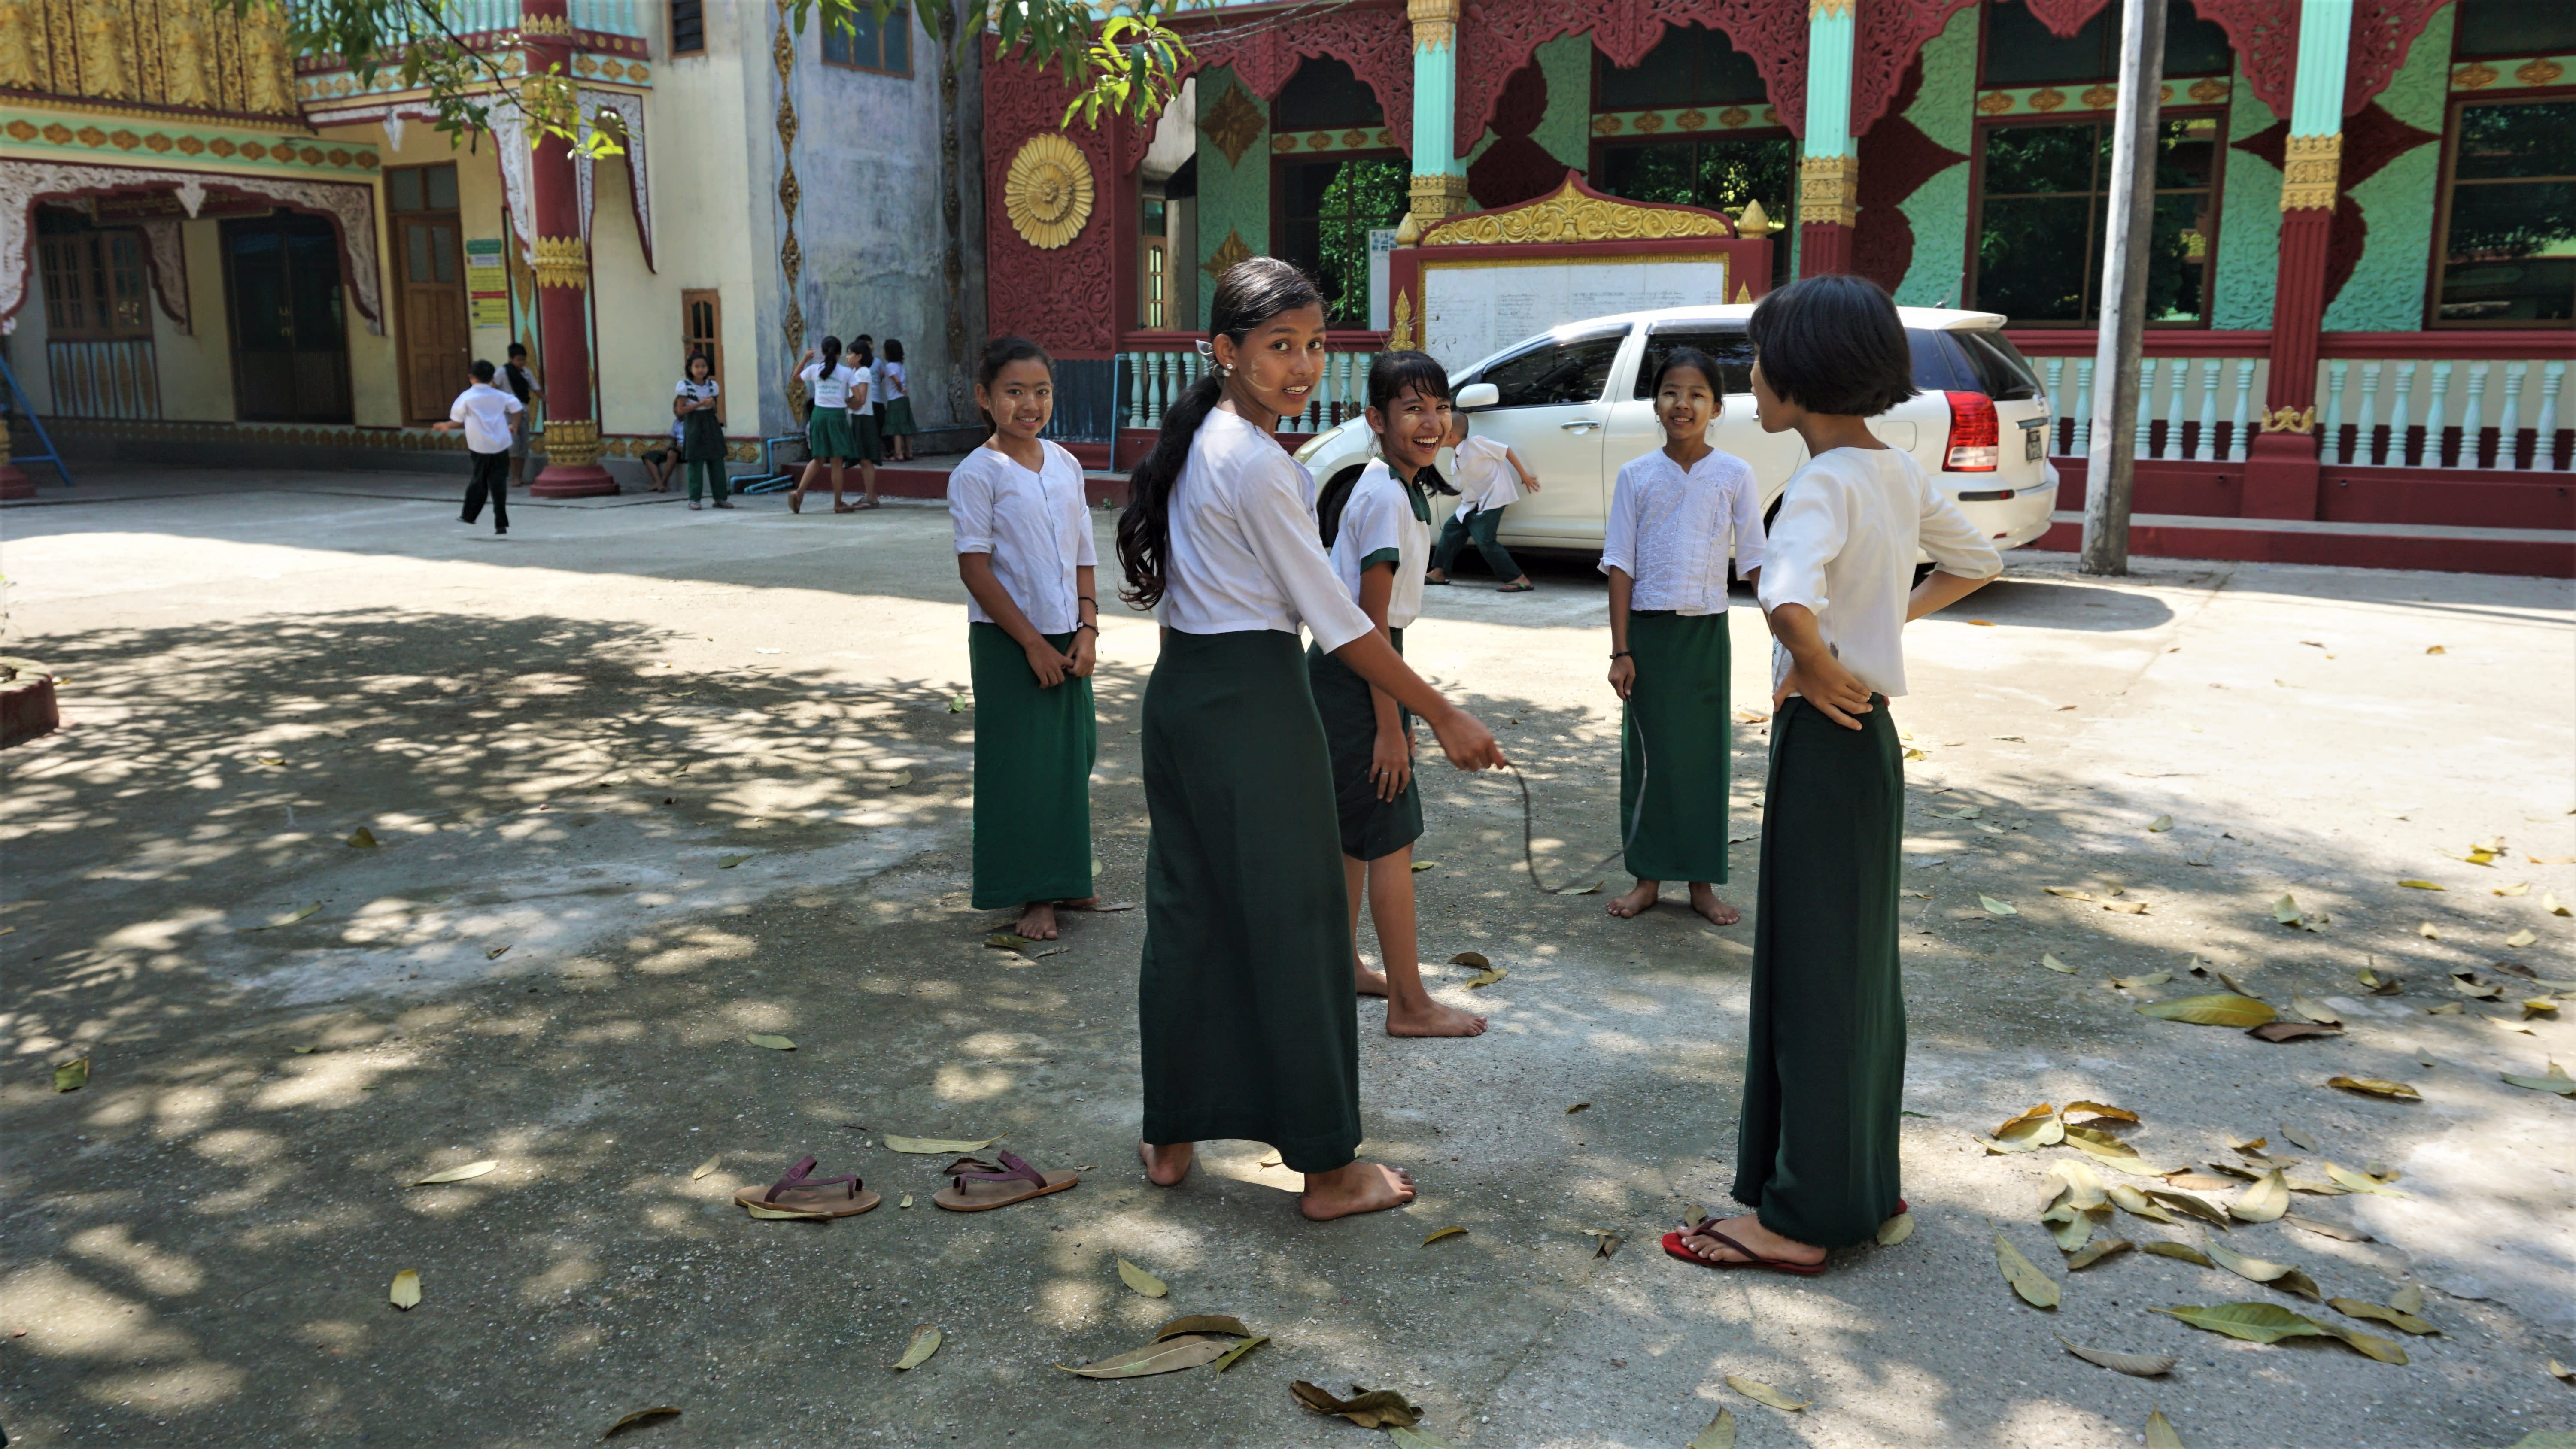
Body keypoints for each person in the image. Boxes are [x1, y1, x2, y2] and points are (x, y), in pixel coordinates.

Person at [1120, 257, 1507, 1222]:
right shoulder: (1258, 464)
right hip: (1253, 707)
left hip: (1182, 698)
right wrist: (1442, 712)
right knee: (1300, 924)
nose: (1302, 367)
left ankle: (1172, 1131)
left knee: (1190, 911)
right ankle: (1329, 1170)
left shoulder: (1203, 442)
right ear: (1226, 352)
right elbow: (1339, 623)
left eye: (1315, 345)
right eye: (1279, 346)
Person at [1668, 274, 2001, 1276]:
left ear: (1801, 377)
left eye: (1761, 361)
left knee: (1814, 976)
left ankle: (1800, 1218)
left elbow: (1783, 592)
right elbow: (1976, 559)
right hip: (1874, 741)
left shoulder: (1821, 482)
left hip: (1826, 738)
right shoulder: (1893, 470)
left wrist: (1815, 660)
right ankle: (1859, 1180)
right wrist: (1878, 629)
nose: (1751, 380)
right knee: (1856, 973)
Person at [1310, 352, 1487, 1038]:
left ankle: (1341, 963)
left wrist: (1396, 712)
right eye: (1412, 409)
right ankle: (1409, 1004)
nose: (1431, 422)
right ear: (1376, 420)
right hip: (1360, 670)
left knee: (1359, 833)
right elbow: (1370, 623)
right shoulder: (1385, 496)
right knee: (1390, 838)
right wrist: (1391, 725)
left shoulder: (1395, 485)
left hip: (1363, 669)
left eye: (1440, 407)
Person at [1601, 347, 1763, 928]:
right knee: (1647, 757)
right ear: (1655, 403)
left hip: (1705, 636)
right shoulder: (1636, 475)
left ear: (1717, 408)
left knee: (1703, 760)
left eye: (1697, 394)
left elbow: (1757, 561)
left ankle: (1701, 882)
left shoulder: (1735, 475)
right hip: (1647, 638)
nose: (1682, 404)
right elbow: (1621, 564)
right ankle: (1647, 878)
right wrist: (1621, 650)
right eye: (1671, 392)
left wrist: (1790, 642)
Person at [949, 336, 1099, 941]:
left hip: (1068, 633)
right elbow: (975, 569)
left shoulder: (1065, 464)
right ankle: (1035, 895)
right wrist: (1032, 644)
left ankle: (1069, 877)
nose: (1030, 405)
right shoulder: (977, 473)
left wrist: (1088, 627)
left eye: (1041, 391)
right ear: (985, 398)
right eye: (1014, 392)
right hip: (1008, 640)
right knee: (1023, 768)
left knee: (1073, 757)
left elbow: (1083, 552)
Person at [1423, 409, 1537, 591]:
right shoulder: (1458, 454)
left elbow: (1506, 450)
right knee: (1451, 530)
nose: (1435, 436)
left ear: (1450, 436)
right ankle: (1438, 573)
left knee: (1485, 540)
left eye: (1439, 432)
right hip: (1471, 503)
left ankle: (1518, 579)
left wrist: (1524, 475)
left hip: (1493, 499)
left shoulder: (1476, 443)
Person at [433, 359, 521, 536]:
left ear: (471, 378)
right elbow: (517, 408)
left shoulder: (467, 397)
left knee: (479, 481)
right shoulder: (499, 395)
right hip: (500, 444)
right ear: (492, 378)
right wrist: (515, 426)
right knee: (499, 483)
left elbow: (457, 420)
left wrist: (446, 426)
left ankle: (469, 515)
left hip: (480, 445)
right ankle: (501, 522)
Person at [790, 337, 865, 515]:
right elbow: (859, 398)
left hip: (818, 416)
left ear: (823, 352)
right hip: (836, 417)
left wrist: (805, 358)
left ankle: (799, 493)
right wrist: (845, 402)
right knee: (837, 462)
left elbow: (795, 378)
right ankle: (838, 503)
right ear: (840, 353)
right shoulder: (846, 372)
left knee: (818, 459)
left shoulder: (815, 369)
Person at [675, 350, 729, 510]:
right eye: (697, 366)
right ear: (690, 368)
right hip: (694, 424)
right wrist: (700, 404)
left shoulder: (712, 386)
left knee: (717, 460)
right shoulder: (685, 387)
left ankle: (720, 498)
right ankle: (695, 499)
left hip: (710, 423)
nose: (701, 370)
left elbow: (714, 407)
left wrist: (711, 404)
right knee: (696, 462)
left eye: (704, 366)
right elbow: (681, 411)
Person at [847, 336, 885, 507]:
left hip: (864, 418)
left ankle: (872, 497)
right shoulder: (856, 372)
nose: (847, 357)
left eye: (850, 354)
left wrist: (843, 402)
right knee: (863, 460)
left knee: (866, 459)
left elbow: (860, 400)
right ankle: (869, 495)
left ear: (859, 356)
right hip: (858, 417)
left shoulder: (863, 372)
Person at [501, 341, 542, 487]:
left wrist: (547, 400)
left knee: (524, 445)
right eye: (519, 360)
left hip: (523, 411)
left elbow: (536, 389)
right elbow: (494, 388)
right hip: (508, 414)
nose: (522, 362)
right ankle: (515, 477)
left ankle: (520, 475)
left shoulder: (526, 373)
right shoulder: (502, 372)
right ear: (511, 359)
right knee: (513, 445)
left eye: (523, 359)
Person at [881, 338, 917, 462]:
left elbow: (897, 380)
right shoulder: (901, 365)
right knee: (905, 427)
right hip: (904, 400)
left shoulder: (890, 366)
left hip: (895, 399)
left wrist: (900, 389)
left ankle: (898, 454)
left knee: (896, 428)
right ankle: (909, 453)